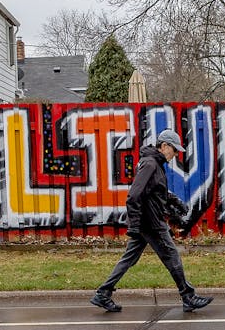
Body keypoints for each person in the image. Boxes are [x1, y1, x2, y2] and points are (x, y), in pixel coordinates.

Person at [90, 129, 213, 313]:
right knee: (172, 257)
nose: (175, 154)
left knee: (129, 258)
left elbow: (155, 191)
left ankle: (103, 293)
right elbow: (134, 195)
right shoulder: (150, 164)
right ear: (164, 146)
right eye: (174, 150)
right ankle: (188, 296)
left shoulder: (153, 163)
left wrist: (175, 202)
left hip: (147, 222)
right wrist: (135, 225)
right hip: (152, 223)